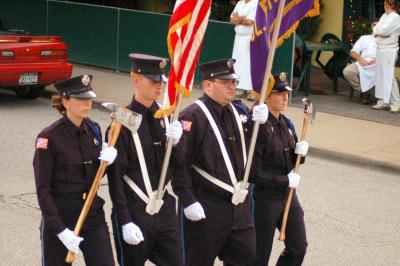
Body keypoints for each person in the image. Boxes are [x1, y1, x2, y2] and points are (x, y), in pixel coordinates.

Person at [171, 58, 269, 266]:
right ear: (208, 85)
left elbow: (254, 152)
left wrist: (262, 126)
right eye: (226, 83)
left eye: (234, 82)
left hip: (239, 208)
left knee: (247, 260)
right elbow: (179, 164)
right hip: (207, 206)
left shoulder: (239, 112)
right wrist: (187, 199)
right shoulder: (193, 116)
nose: (232, 87)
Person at [106, 53, 184, 266]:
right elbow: (116, 179)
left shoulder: (166, 117)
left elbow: (178, 165)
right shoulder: (121, 122)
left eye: (161, 81)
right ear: (136, 80)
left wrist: (178, 144)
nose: (159, 86)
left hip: (164, 207)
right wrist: (125, 221)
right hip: (134, 209)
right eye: (153, 81)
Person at [33, 75, 117, 266]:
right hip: (61, 215)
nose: (87, 103)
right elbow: (43, 190)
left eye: (89, 98)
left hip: (91, 213)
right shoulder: (49, 138)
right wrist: (60, 230)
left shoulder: (93, 130)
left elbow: (93, 177)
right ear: (65, 102)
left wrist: (106, 163)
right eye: (81, 99)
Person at [249, 72, 309, 266]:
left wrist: (301, 154)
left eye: (286, 93)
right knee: (259, 254)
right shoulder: (257, 126)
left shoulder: (287, 123)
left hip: (288, 196)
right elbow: (252, 173)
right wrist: (285, 180)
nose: (285, 97)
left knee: (298, 247)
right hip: (264, 197)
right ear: (266, 96)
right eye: (279, 93)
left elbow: (292, 161)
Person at [372, 0, 400, 113]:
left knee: (389, 76)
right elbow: (378, 31)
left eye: (384, 4)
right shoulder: (384, 15)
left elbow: (382, 30)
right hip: (380, 48)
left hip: (389, 50)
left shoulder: (395, 17)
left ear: (388, 5)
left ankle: (396, 103)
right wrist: (377, 30)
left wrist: (377, 29)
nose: (383, 6)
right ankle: (383, 100)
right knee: (380, 75)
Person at [343, 20, 378, 104]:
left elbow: (388, 54)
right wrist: (360, 59)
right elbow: (353, 52)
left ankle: (378, 97)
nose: (376, 26)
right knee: (347, 71)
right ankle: (364, 91)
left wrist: (377, 60)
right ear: (371, 27)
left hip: (377, 64)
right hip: (362, 62)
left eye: (378, 25)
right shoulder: (364, 38)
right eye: (374, 24)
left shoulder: (386, 40)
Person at [230, 0, 258, 101]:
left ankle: (251, 90)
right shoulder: (240, 3)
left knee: (248, 63)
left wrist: (238, 19)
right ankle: (239, 88)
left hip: (249, 38)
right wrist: (242, 19)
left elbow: (250, 21)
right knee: (238, 63)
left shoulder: (256, 2)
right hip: (238, 37)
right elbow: (232, 20)